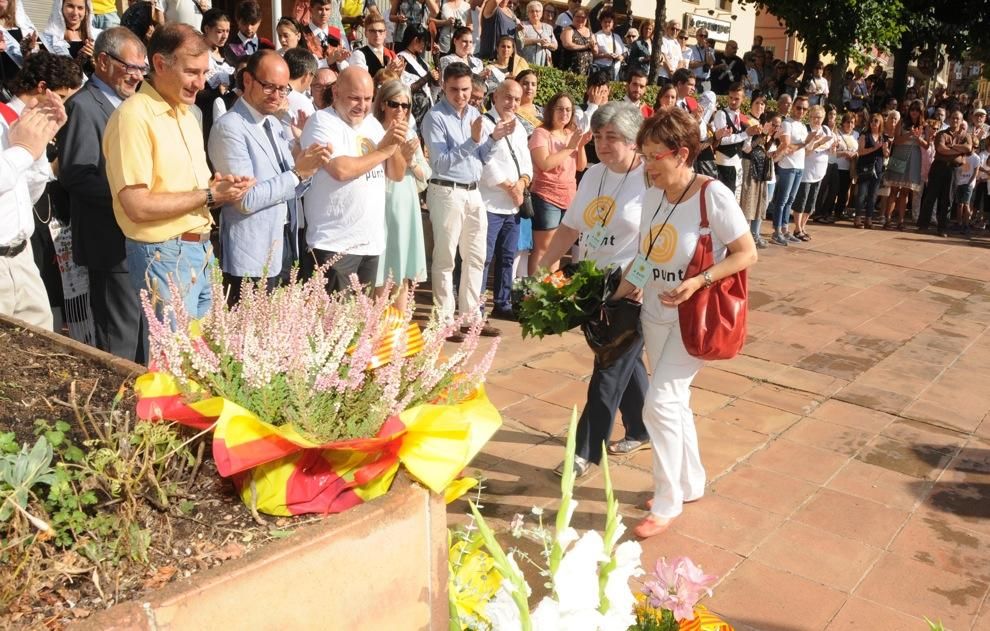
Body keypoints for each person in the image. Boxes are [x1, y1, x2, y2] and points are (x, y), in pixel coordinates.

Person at [614, 107, 757, 539]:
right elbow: (645, 257)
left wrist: (699, 280)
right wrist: (613, 295)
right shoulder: (653, 193)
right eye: (644, 154)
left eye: (655, 155)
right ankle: (691, 481)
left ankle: (667, 498)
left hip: (694, 317)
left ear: (681, 153)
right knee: (674, 402)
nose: (647, 164)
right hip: (655, 315)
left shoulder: (711, 194)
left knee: (659, 403)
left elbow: (747, 252)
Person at [102, 23, 255, 351]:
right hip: (164, 253)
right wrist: (211, 195)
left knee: (207, 357)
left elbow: (188, 190)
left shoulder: (188, 114)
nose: (201, 83)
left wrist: (217, 188)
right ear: (159, 64)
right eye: (191, 72)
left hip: (198, 249)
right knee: (175, 364)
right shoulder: (133, 117)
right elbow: (137, 205)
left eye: (204, 72)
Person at [538, 101, 650, 477]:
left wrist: (637, 281)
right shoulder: (593, 175)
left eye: (613, 137)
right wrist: (545, 267)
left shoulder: (650, 178)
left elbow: (657, 238)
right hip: (593, 283)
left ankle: (584, 453)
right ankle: (641, 426)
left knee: (608, 368)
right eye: (598, 136)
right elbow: (570, 227)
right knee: (621, 361)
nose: (603, 144)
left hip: (632, 289)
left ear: (635, 141)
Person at [208, 50, 330, 303]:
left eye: (283, 89)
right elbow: (245, 200)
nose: (277, 96)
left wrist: (308, 166)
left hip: (284, 243)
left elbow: (291, 182)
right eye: (269, 87)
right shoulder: (230, 127)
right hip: (251, 255)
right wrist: (298, 173)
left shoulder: (273, 124)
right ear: (248, 80)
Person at [59, 27, 147, 361]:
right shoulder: (84, 105)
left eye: (142, 69)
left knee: (141, 337)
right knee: (119, 344)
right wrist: (130, 195)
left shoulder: (134, 105)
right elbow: (75, 174)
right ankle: (116, 411)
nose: (137, 76)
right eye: (131, 67)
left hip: (136, 241)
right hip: (108, 244)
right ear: (103, 61)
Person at [421, 61, 513, 340]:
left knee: (476, 256)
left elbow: (482, 158)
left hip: (474, 192)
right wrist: (473, 141)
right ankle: (444, 320)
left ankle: (470, 316)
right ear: (443, 88)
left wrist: (493, 138)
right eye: (454, 90)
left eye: (465, 89)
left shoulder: (475, 113)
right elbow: (441, 162)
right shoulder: (435, 117)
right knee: (446, 257)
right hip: (446, 191)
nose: (460, 95)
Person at [299, 65, 406, 293]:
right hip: (334, 244)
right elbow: (340, 170)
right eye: (355, 98)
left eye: (368, 99)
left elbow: (396, 174)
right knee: (333, 324)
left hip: (371, 242)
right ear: (336, 92)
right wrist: (382, 152)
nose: (363, 106)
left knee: (359, 324)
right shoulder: (320, 122)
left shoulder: (373, 124)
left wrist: (394, 143)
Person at [0, 95, 66, 330]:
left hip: (22, 257)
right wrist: (25, 149)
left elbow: (26, 194)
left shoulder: (5, 115)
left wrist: (39, 144)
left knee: (40, 350)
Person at [372, 79, 429, 311]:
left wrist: (411, 161)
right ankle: (376, 331)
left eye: (406, 106)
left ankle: (398, 334)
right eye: (395, 104)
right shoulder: (373, 131)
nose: (401, 111)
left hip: (406, 202)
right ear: (383, 104)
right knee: (380, 271)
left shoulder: (410, 134)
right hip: (382, 202)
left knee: (402, 271)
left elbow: (426, 175)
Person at [479, 78, 530, 320]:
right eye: (508, 97)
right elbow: (484, 163)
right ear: (495, 97)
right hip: (490, 203)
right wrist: (509, 187)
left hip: (513, 205)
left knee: (508, 257)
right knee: (484, 258)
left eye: (517, 99)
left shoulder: (519, 126)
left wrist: (522, 182)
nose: (512, 103)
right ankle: (476, 307)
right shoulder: (484, 123)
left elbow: (526, 161)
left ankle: (503, 303)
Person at [528, 91, 590, 275]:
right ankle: (534, 291)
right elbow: (545, 164)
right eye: (560, 109)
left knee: (558, 249)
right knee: (544, 247)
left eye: (569, 110)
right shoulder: (541, 133)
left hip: (569, 197)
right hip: (546, 196)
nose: (565, 113)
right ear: (551, 111)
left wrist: (580, 145)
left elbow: (580, 166)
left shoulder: (570, 133)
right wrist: (570, 147)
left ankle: (549, 291)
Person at [918, 110, 972, 236]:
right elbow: (941, 149)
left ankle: (943, 228)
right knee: (930, 197)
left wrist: (950, 147)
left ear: (961, 120)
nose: (955, 120)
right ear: (949, 119)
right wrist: (958, 150)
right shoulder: (941, 134)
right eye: (953, 118)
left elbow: (969, 148)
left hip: (953, 170)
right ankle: (923, 225)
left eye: (957, 118)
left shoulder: (966, 136)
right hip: (938, 168)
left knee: (947, 200)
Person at [766, 95, 811, 244]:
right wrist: (804, 143)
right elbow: (787, 145)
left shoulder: (803, 126)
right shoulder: (787, 124)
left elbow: (801, 147)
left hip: (799, 166)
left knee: (790, 200)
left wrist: (810, 143)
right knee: (782, 200)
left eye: (804, 108)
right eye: (799, 107)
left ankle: (785, 229)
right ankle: (777, 230)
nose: (801, 111)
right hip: (787, 166)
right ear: (793, 107)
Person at [881, 99, 929, 230]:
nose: (914, 112)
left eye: (917, 110)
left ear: (921, 112)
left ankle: (901, 221)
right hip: (899, 155)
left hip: (914, 158)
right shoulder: (902, 122)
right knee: (894, 190)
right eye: (912, 109)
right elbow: (896, 141)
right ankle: (888, 219)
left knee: (905, 192)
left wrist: (918, 138)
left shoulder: (925, 126)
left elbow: (927, 145)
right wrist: (909, 134)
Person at [790, 104, 833, 240]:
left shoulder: (826, 129)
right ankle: (797, 228)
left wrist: (829, 145)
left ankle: (803, 227)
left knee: (811, 202)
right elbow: (806, 151)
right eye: (814, 117)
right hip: (806, 172)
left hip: (819, 172)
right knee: (801, 201)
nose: (816, 120)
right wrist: (818, 143)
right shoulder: (806, 129)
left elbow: (832, 148)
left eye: (819, 117)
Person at [710, 81, 758, 198]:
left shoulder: (743, 118)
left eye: (736, 99)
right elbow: (722, 140)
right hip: (724, 163)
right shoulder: (721, 114)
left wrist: (752, 134)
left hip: (738, 163)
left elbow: (746, 148)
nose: (732, 101)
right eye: (730, 97)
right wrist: (745, 134)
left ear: (743, 99)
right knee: (724, 198)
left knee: (735, 198)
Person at [739, 100, 777, 248]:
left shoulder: (763, 121)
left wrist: (771, 135)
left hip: (761, 166)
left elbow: (764, 148)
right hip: (749, 165)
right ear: (751, 104)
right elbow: (747, 148)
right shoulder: (746, 120)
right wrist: (761, 135)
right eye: (757, 103)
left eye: (763, 104)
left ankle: (754, 234)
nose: (760, 106)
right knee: (747, 201)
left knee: (758, 201)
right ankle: (744, 238)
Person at [853, 112, 889, 229]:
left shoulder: (883, 137)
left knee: (873, 195)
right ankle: (858, 218)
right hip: (865, 168)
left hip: (878, 169)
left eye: (876, 121)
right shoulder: (865, 135)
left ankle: (869, 219)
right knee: (862, 194)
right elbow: (861, 151)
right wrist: (875, 148)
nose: (874, 123)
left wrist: (885, 150)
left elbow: (886, 155)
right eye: (872, 121)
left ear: (880, 124)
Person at [396, 24, 438, 126]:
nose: (424, 45)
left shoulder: (421, 60)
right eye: (423, 41)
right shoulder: (401, 59)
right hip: (413, 111)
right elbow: (407, 89)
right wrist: (428, 77)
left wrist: (436, 59)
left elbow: (436, 82)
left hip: (426, 107)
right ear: (415, 40)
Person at [42, 0, 98, 70]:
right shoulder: (49, 37)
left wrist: (95, 60)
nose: (75, 12)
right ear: (61, 7)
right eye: (70, 6)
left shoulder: (96, 36)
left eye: (80, 8)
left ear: (86, 10)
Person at [280, 47, 318, 138]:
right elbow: (314, 134)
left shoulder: (272, 93)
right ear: (307, 75)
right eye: (314, 76)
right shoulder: (302, 102)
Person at [222, 0, 273, 66]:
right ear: (237, 21)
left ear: (259, 22)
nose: (249, 28)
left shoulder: (266, 45)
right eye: (245, 23)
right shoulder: (230, 46)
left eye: (253, 23)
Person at [349, 12, 397, 77]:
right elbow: (361, 82)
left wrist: (399, 75)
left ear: (385, 33)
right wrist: (386, 73)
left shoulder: (392, 54)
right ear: (366, 33)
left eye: (380, 31)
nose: (377, 35)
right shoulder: (358, 55)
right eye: (372, 31)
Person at [303, 0, 349, 69]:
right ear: (310, 10)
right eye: (320, 9)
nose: (324, 13)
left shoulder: (338, 34)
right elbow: (302, 65)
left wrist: (340, 61)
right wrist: (327, 61)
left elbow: (347, 66)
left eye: (327, 9)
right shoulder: (301, 34)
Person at [517, 0, 554, 67]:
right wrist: (538, 41)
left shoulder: (549, 28)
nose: (534, 13)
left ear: (541, 13)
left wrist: (548, 44)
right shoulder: (523, 25)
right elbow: (519, 42)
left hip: (545, 65)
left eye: (537, 11)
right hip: (527, 64)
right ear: (527, 13)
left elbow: (555, 46)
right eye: (532, 11)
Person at [559, 5, 592, 76]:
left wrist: (594, 47)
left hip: (587, 70)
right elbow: (567, 44)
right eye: (578, 16)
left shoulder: (589, 31)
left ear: (586, 19)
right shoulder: (569, 29)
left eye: (583, 17)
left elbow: (595, 49)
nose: (580, 19)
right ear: (573, 17)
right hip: (571, 69)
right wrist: (585, 47)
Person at [591, 9, 623, 80]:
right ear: (601, 22)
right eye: (605, 22)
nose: (607, 24)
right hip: (600, 68)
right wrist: (605, 56)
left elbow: (623, 53)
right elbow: (592, 55)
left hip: (615, 70)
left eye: (609, 22)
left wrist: (620, 57)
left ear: (613, 23)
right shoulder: (596, 36)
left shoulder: (617, 37)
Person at [684, 27, 714, 93]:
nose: (703, 38)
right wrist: (704, 62)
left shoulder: (710, 50)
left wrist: (707, 50)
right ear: (696, 37)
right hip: (695, 80)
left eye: (705, 36)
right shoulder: (691, 49)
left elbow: (711, 63)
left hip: (706, 82)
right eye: (701, 35)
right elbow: (691, 65)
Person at [657, 19, 680, 84]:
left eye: (677, 30)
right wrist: (670, 72)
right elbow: (663, 57)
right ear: (667, 29)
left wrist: (676, 74)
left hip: (674, 76)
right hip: (663, 75)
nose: (675, 31)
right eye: (673, 29)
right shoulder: (663, 40)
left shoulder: (677, 43)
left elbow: (680, 60)